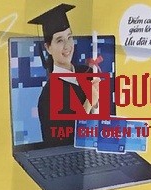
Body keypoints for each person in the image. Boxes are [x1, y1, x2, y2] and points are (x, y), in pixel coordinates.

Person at [32, 4, 100, 146]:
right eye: (59, 40)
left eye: (69, 37)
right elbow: (62, 149)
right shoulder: (48, 98)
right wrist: (89, 103)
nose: (67, 46)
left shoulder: (88, 73)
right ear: (48, 47)